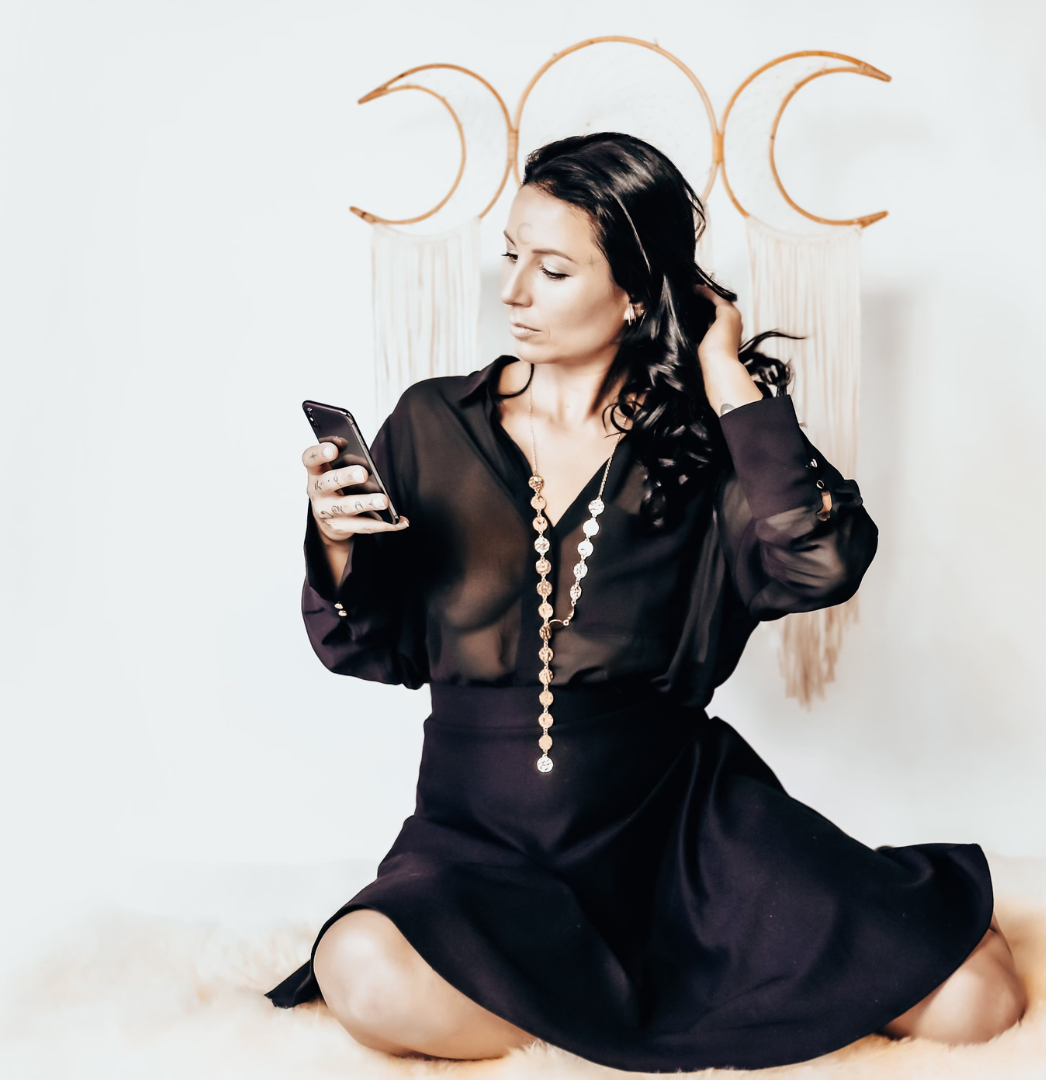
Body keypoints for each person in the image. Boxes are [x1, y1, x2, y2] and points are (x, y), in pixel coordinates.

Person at [265, 132, 1026, 1072]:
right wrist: (340, 543)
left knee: (980, 1001)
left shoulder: (704, 442)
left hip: (683, 834)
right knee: (362, 968)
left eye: (552, 269)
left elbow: (820, 564)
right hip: (481, 845)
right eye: (510, 255)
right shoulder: (434, 423)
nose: (512, 291)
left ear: (634, 291)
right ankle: (634, 1026)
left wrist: (727, 378)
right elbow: (371, 650)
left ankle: (635, 1013)